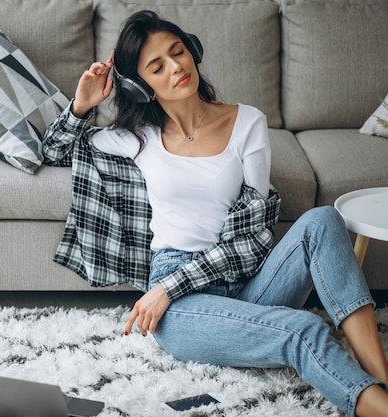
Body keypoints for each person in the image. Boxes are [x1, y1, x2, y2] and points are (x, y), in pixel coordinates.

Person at [42, 9, 388, 417]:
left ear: (193, 50)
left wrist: (167, 288)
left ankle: (380, 380)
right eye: (157, 66)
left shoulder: (248, 123)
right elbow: (55, 152)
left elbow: (252, 238)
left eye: (178, 52)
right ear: (141, 88)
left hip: (243, 281)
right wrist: (82, 105)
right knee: (305, 329)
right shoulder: (136, 139)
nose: (176, 67)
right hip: (179, 307)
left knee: (323, 220)